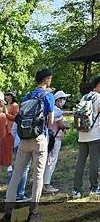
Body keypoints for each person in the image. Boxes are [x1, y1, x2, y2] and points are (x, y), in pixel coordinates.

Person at [4, 68, 55, 222]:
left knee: (15, 177)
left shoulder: (27, 96)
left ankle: (7, 213)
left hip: (24, 140)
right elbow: (50, 121)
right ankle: (33, 212)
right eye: (50, 79)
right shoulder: (49, 96)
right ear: (46, 80)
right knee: (38, 176)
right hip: (39, 139)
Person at [72, 76, 100, 199]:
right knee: (94, 161)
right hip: (95, 134)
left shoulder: (85, 97)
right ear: (98, 85)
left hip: (82, 133)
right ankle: (94, 187)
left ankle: (76, 189)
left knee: (80, 162)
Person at [43, 90, 71, 194]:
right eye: (63, 99)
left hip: (47, 137)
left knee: (45, 160)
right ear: (58, 100)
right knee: (51, 161)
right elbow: (61, 124)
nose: (64, 101)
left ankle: (42, 182)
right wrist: (67, 126)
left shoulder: (49, 109)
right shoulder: (57, 111)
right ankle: (47, 183)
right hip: (55, 138)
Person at [8, 121, 31, 202]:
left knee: (15, 169)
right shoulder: (34, 113)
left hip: (17, 144)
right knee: (24, 169)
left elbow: (13, 132)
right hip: (30, 143)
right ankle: (20, 194)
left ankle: (11, 194)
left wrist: (13, 146)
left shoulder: (20, 115)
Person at [1, 91, 19, 168]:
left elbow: (16, 117)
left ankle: (10, 164)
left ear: (11, 96)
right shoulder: (5, 105)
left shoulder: (15, 105)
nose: (6, 96)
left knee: (11, 147)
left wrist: (6, 114)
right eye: (5, 95)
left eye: (7, 95)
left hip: (12, 128)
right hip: (4, 128)